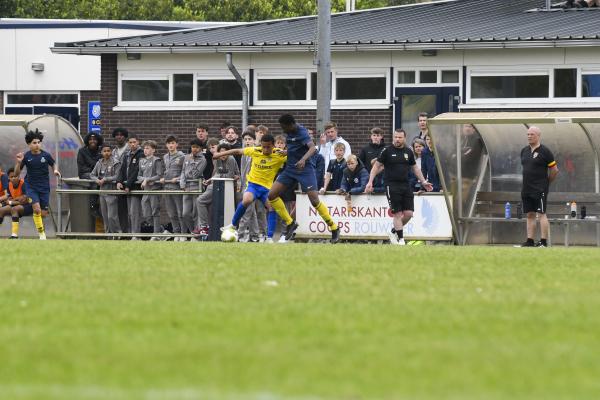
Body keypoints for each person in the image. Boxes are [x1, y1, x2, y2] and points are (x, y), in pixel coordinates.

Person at [269, 114, 340, 243]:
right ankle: (290, 223)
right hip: (290, 169)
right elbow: (295, 148)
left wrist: (303, 159)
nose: (282, 129)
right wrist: (285, 152)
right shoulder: (289, 133)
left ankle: (334, 228)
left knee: (314, 200)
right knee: (272, 195)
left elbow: (312, 148)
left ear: (290, 125)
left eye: (283, 127)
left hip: (305, 170)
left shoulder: (302, 132)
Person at [365, 128, 433, 245]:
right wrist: (370, 182)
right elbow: (376, 167)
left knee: (409, 214)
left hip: (406, 185)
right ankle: (401, 240)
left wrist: (423, 181)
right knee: (397, 214)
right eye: (395, 137)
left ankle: (393, 231)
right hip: (391, 185)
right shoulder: (386, 150)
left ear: (404, 138)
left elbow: (415, 168)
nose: (397, 139)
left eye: (400, 137)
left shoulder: (408, 152)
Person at [218, 133, 286, 244]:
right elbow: (237, 151)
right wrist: (218, 154)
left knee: (272, 208)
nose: (265, 149)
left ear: (273, 146)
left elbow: (296, 157)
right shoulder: (255, 151)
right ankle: (233, 225)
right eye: (263, 146)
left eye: (268, 147)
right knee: (247, 200)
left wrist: (288, 152)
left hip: (267, 188)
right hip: (253, 185)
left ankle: (269, 238)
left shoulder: (280, 155)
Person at [14, 129, 61, 240]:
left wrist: (55, 170)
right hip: (31, 187)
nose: (37, 145)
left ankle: (40, 228)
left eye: (39, 142)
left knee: (43, 213)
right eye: (34, 143)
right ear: (29, 144)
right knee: (37, 209)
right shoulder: (26, 156)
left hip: (44, 188)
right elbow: (16, 173)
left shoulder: (46, 155)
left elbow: (53, 163)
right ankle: (42, 235)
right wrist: (18, 162)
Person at [519, 126, 559, 248]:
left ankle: (543, 242)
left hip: (540, 189)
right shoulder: (524, 151)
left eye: (532, 134)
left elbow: (555, 170)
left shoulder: (545, 151)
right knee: (530, 214)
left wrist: (546, 183)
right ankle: (530, 241)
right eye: (528, 134)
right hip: (526, 189)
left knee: (541, 214)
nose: (529, 136)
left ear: (538, 136)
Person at [195, 141, 240, 238]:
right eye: (221, 152)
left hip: (229, 187)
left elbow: (230, 175)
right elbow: (217, 173)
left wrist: (217, 177)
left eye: (225, 152)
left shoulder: (231, 159)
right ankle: (204, 226)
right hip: (217, 185)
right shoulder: (216, 159)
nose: (223, 155)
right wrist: (210, 180)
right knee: (200, 201)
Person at [90, 144, 122, 235]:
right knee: (105, 216)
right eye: (104, 151)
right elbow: (92, 175)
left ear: (111, 152)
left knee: (112, 216)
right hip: (102, 192)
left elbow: (117, 176)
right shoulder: (99, 162)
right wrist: (97, 180)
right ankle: (108, 234)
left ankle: (118, 234)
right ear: (101, 152)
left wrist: (106, 179)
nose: (107, 153)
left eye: (108, 151)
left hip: (111, 191)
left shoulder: (116, 162)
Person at [117, 134, 144, 238]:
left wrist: (128, 184)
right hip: (127, 188)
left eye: (134, 142)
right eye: (130, 142)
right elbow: (122, 169)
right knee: (130, 213)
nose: (132, 144)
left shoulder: (141, 154)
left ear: (138, 142)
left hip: (135, 187)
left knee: (135, 213)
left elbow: (136, 171)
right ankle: (132, 234)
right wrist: (119, 181)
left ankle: (136, 235)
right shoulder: (127, 154)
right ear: (128, 143)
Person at [180, 138, 207, 239]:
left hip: (197, 188)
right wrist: (182, 184)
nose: (194, 149)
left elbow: (194, 175)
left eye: (196, 147)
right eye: (192, 147)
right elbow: (183, 172)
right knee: (185, 213)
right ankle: (193, 232)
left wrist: (191, 162)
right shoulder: (186, 157)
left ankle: (197, 235)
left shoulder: (203, 160)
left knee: (196, 214)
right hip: (186, 188)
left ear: (200, 148)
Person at [237, 130, 260, 242]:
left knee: (246, 211)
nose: (247, 141)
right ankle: (255, 236)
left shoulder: (256, 153)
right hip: (245, 186)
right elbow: (242, 172)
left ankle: (239, 234)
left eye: (249, 139)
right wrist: (241, 185)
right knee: (252, 212)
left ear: (254, 141)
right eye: (245, 139)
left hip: (253, 186)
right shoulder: (244, 154)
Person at [138, 140, 164, 240]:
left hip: (154, 190)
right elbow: (139, 176)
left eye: (148, 148)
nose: (145, 150)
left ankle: (156, 233)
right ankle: (161, 231)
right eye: (144, 148)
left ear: (153, 150)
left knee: (155, 212)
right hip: (146, 190)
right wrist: (144, 179)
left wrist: (147, 179)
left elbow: (159, 175)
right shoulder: (142, 161)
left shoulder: (156, 160)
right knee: (146, 214)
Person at [161, 135, 185, 240]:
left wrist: (179, 178)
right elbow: (165, 170)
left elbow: (185, 171)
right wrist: (162, 178)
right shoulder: (165, 157)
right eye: (169, 143)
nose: (171, 145)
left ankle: (183, 234)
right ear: (166, 145)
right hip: (167, 188)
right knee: (171, 213)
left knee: (180, 212)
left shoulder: (182, 156)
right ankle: (176, 233)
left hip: (177, 188)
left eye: (173, 143)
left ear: (177, 144)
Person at [1, 167, 34, 239]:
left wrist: (12, 202)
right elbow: (9, 199)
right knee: (1, 210)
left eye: (15, 176)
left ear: (19, 176)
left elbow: (25, 201)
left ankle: (14, 235)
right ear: (9, 178)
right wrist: (14, 201)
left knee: (15, 209)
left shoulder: (24, 184)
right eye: (11, 177)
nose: (13, 178)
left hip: (28, 206)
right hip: (15, 205)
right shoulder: (9, 185)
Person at [111, 127, 130, 232]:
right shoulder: (113, 151)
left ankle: (131, 232)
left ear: (125, 136)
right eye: (117, 135)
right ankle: (122, 232)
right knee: (119, 211)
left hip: (127, 183)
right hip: (116, 183)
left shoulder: (129, 149)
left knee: (130, 211)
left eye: (121, 134)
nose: (119, 136)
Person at [359, 127, 386, 192]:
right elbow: (360, 164)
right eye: (374, 135)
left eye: (378, 135)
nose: (375, 137)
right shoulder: (365, 149)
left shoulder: (386, 149)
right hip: (368, 179)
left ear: (381, 137)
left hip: (382, 179)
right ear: (371, 136)